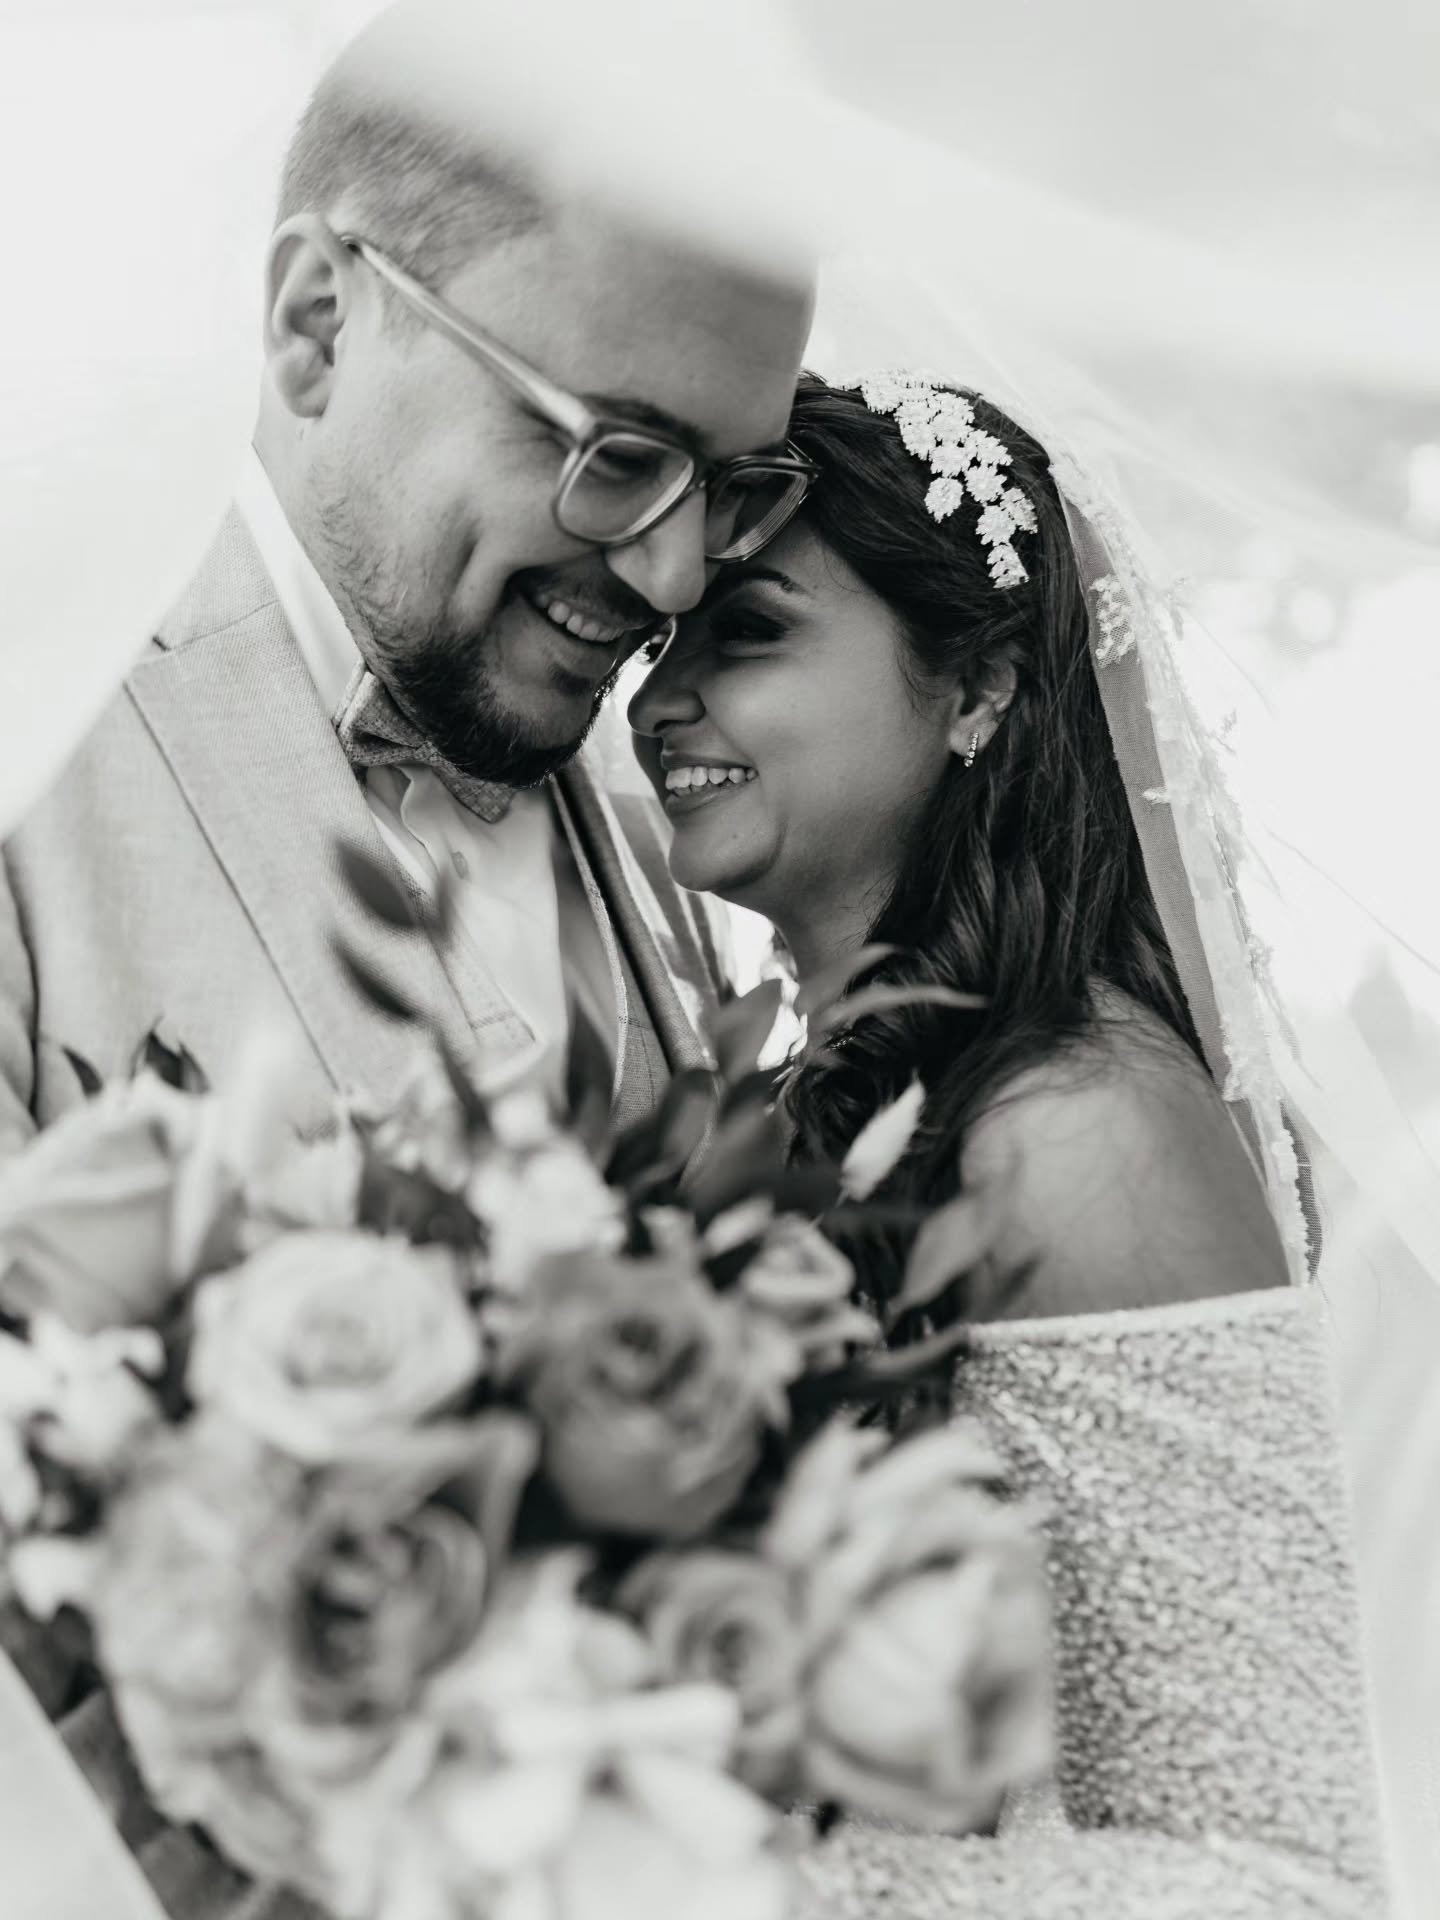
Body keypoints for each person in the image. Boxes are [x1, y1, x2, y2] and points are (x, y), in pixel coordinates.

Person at [631, 371, 1393, 1915]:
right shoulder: (817, 1099)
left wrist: (728, 1883)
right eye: (658, 642)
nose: (654, 703)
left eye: (750, 631)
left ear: (976, 687)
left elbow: (1285, 1876)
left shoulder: (1073, 1129)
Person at [0, 9, 816, 1153]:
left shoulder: (663, 832)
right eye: (616, 456)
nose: (678, 582)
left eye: (727, 490)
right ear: (318, 325)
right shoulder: (30, 730)